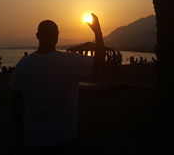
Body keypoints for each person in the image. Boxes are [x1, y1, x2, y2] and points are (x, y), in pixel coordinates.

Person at [9, 13, 105, 154]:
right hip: (63, 137)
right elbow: (99, 63)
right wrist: (98, 32)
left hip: (33, 140)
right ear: (57, 36)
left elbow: (16, 102)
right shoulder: (69, 62)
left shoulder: (24, 64)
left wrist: (19, 134)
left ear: (37, 36)